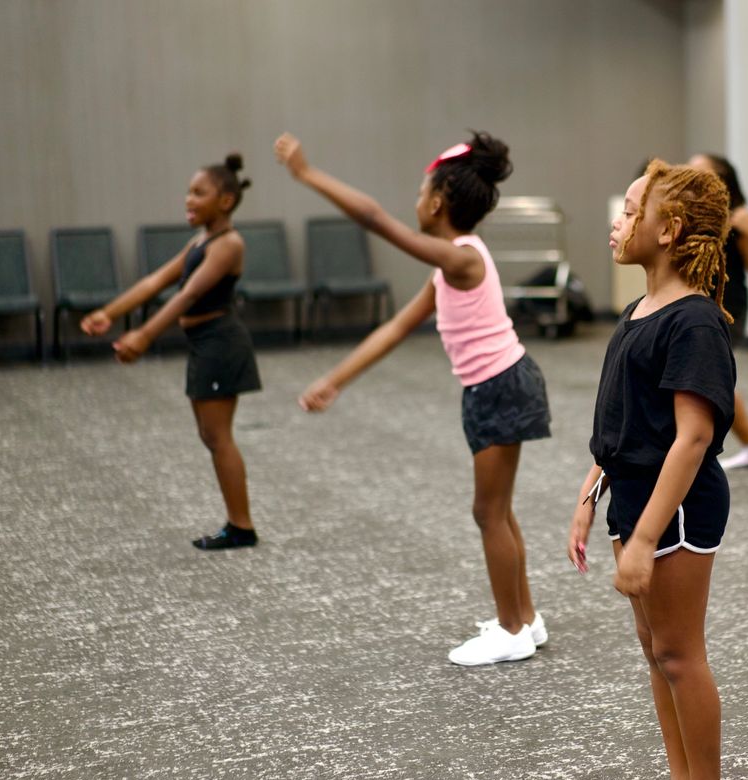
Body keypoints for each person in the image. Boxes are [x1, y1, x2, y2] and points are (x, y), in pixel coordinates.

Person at [274, 131, 552, 665]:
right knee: (499, 510)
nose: (414, 202)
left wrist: (307, 174)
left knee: (488, 512)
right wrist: (336, 378)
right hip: (497, 386)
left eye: (421, 193)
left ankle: (511, 629)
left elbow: (376, 220)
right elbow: (397, 327)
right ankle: (526, 618)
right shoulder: (450, 267)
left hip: (500, 387)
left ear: (438, 203)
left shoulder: (461, 258)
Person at [569, 159, 735, 780]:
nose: (619, 218)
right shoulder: (640, 309)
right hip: (633, 494)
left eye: (632, 208)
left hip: (680, 504)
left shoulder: (693, 321)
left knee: (679, 651)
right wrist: (590, 492)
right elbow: (627, 422)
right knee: (655, 651)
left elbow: (691, 438)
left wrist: (643, 538)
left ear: (667, 230)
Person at [81, 154, 261, 551]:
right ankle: (238, 523)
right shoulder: (201, 241)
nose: (189, 199)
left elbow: (191, 293)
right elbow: (154, 282)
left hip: (220, 343)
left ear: (226, 201)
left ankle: (242, 527)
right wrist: (109, 313)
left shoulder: (229, 245)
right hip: (204, 345)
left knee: (218, 437)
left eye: (199, 193)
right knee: (211, 435)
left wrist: (144, 335)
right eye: (189, 192)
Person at [689, 153, 748, 470]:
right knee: (707, 380)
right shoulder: (691, 215)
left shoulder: (739, 218)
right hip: (693, 307)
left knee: (712, 381)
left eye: (699, 173)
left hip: (727, 309)